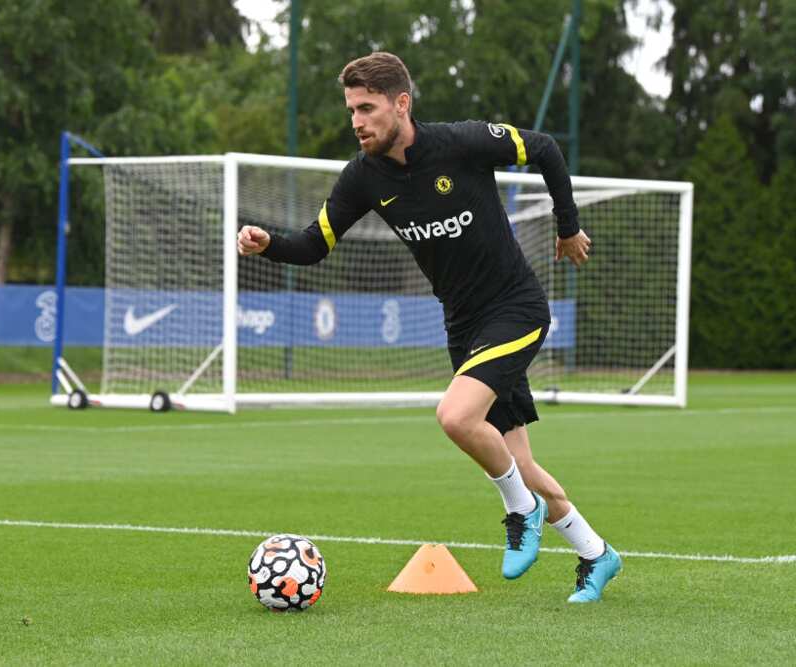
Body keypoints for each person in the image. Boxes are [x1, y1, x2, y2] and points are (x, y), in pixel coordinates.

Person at [237, 52, 621, 603]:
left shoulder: (461, 142)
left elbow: (545, 149)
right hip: (463, 327)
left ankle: (521, 511)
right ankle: (595, 553)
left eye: (367, 108)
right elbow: (313, 244)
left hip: (515, 307)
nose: (357, 121)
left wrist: (568, 227)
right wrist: (268, 242)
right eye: (351, 110)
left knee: (455, 416)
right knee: (520, 461)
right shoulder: (363, 178)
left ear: (401, 104)